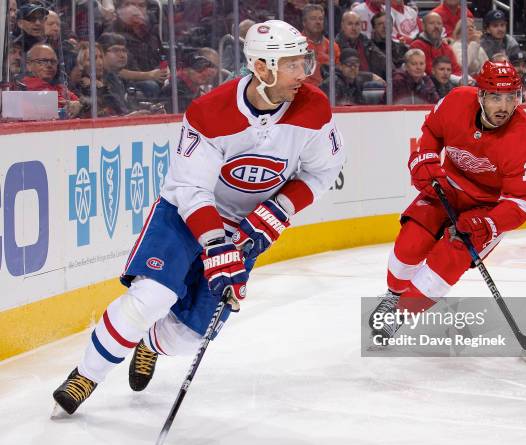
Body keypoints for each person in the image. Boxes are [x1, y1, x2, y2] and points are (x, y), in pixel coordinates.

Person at [52, 20, 346, 415]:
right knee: (153, 295)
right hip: (185, 216)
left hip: (244, 230)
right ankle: (87, 374)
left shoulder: (314, 109)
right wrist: (215, 244)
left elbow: (323, 171)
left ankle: (150, 344)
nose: (304, 73)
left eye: (303, 62)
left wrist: (278, 209)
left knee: (191, 336)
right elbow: (192, 190)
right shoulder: (210, 112)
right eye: (292, 64)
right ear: (261, 67)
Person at [369, 61, 526, 338]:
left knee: (450, 257)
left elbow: (522, 203)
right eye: (496, 97)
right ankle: (393, 294)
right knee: (410, 245)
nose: (504, 106)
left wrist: (488, 223)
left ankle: (401, 313)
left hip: (487, 207)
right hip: (445, 188)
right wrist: (423, 159)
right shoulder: (455, 102)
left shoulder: (525, 137)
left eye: (512, 97)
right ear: (480, 95)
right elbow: (431, 133)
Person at [17, 43, 81, 118]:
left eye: (53, 61)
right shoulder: (23, 90)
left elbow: (81, 105)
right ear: (29, 65)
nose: (49, 65)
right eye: (43, 61)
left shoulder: (60, 88)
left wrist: (79, 105)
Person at [411, 12, 462, 78]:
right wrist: (457, 79)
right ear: (423, 26)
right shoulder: (416, 46)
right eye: (432, 23)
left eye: (439, 23)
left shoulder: (446, 48)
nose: (436, 26)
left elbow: (457, 70)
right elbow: (430, 72)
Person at [335, 10, 386, 78]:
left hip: (372, 84)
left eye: (357, 24)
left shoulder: (366, 42)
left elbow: (383, 60)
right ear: (342, 26)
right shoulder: (336, 45)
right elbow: (344, 72)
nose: (354, 28)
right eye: (350, 24)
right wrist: (370, 76)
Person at [302, 3, 340, 87]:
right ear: (304, 22)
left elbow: (338, 76)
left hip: (328, 92)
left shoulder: (333, 47)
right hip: (304, 92)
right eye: (313, 19)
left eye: (321, 19)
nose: (318, 22)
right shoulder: (296, 45)